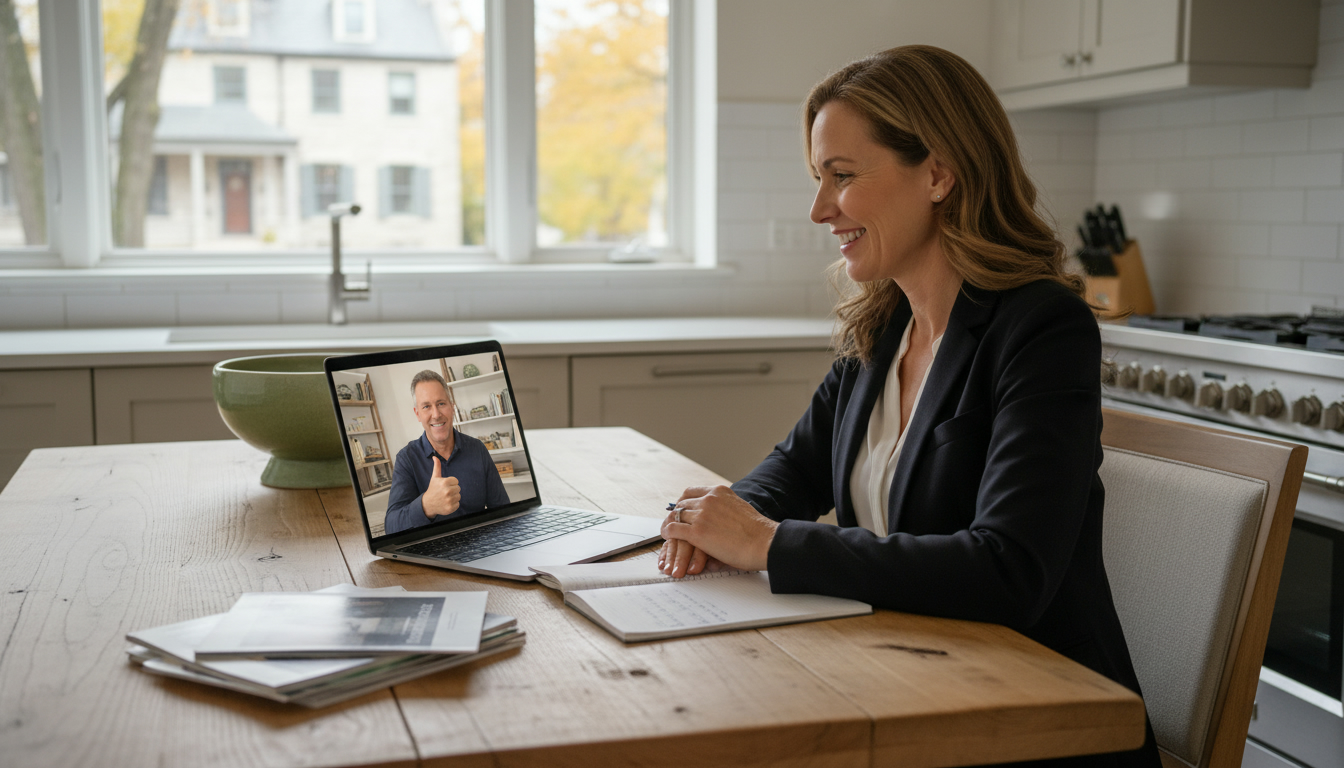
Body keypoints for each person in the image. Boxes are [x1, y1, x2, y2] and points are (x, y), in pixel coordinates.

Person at [657, 46, 1161, 768]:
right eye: (818, 178)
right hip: (905, 679)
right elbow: (796, 470)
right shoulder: (882, 327)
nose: (819, 209)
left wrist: (765, 543)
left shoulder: (1042, 328)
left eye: (842, 176)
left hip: (1036, 724)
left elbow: (1008, 571)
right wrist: (717, 519)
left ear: (937, 174)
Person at [384, 369, 510, 535]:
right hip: (434, 549)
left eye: (441, 404)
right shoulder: (406, 458)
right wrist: (426, 506)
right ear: (418, 414)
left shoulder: (478, 449)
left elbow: (502, 510)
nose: (436, 414)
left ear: (452, 406)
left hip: (480, 542)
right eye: (426, 406)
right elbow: (391, 526)